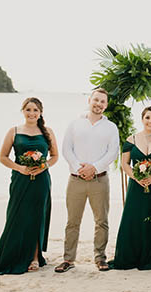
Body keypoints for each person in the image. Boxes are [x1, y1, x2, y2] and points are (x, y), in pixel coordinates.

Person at [0, 97, 58, 274]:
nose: (32, 113)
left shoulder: (48, 132)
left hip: (41, 181)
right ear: (23, 111)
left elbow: (55, 156)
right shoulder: (13, 131)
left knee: (37, 216)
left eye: (35, 110)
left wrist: (43, 166)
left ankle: (35, 257)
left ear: (40, 112)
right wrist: (20, 168)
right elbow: (3, 157)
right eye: (28, 110)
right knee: (17, 216)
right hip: (20, 180)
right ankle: (13, 253)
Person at [55, 88, 119, 273]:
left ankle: (100, 258)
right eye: (96, 100)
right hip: (76, 180)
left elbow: (113, 152)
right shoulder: (75, 124)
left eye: (103, 102)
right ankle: (68, 259)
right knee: (73, 221)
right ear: (89, 100)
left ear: (106, 105)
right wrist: (79, 169)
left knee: (101, 221)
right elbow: (67, 149)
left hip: (100, 180)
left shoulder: (111, 127)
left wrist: (94, 168)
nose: (99, 104)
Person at [108, 106, 151, 270]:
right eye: (147, 117)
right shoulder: (131, 140)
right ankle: (130, 256)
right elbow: (124, 164)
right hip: (137, 186)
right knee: (133, 218)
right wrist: (136, 177)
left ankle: (150, 257)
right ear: (142, 119)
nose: (150, 121)